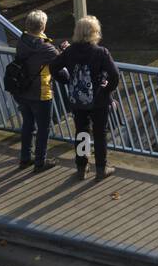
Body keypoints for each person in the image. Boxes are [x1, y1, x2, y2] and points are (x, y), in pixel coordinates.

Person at [50, 15, 121, 180]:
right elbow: (114, 75)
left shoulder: (70, 51)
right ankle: (101, 169)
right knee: (99, 134)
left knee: (82, 132)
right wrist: (107, 90)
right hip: (98, 100)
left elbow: (53, 67)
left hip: (78, 100)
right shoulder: (101, 52)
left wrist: (67, 81)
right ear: (94, 32)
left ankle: (81, 168)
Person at [14, 10, 65, 173]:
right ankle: (40, 162)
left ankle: (25, 158)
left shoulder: (21, 42)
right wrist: (64, 50)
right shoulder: (47, 48)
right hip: (41, 92)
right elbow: (61, 64)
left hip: (22, 90)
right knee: (43, 128)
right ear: (43, 26)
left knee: (28, 125)